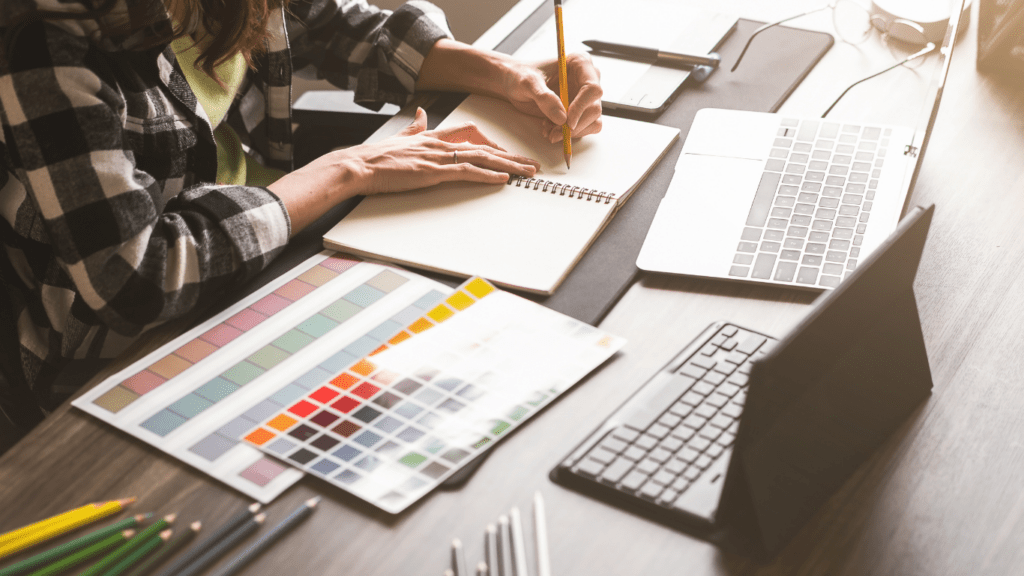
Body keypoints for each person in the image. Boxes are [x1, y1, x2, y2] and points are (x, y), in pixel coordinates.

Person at [0, 0, 603, 445]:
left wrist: (504, 73)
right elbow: (133, 278)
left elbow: (339, 29)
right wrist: (344, 171)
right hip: (113, 351)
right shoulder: (46, 44)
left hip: (270, 246)